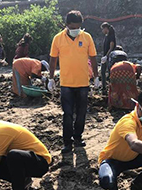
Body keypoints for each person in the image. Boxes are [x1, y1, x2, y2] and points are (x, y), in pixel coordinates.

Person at [48, 10, 101, 153]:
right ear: (67, 25)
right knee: (68, 113)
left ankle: (78, 137)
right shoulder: (58, 39)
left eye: (78, 27)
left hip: (83, 83)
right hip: (66, 84)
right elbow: (53, 60)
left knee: (82, 113)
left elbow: (93, 58)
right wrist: (51, 78)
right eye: (73, 27)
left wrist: (96, 76)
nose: (75, 30)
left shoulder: (87, 37)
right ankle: (67, 142)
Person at [100, 22, 116, 93]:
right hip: (105, 56)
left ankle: (112, 88)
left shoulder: (111, 36)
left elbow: (111, 47)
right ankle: (104, 88)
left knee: (110, 73)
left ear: (106, 28)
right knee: (102, 72)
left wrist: (106, 56)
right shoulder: (107, 36)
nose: (102, 31)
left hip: (110, 57)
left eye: (103, 29)